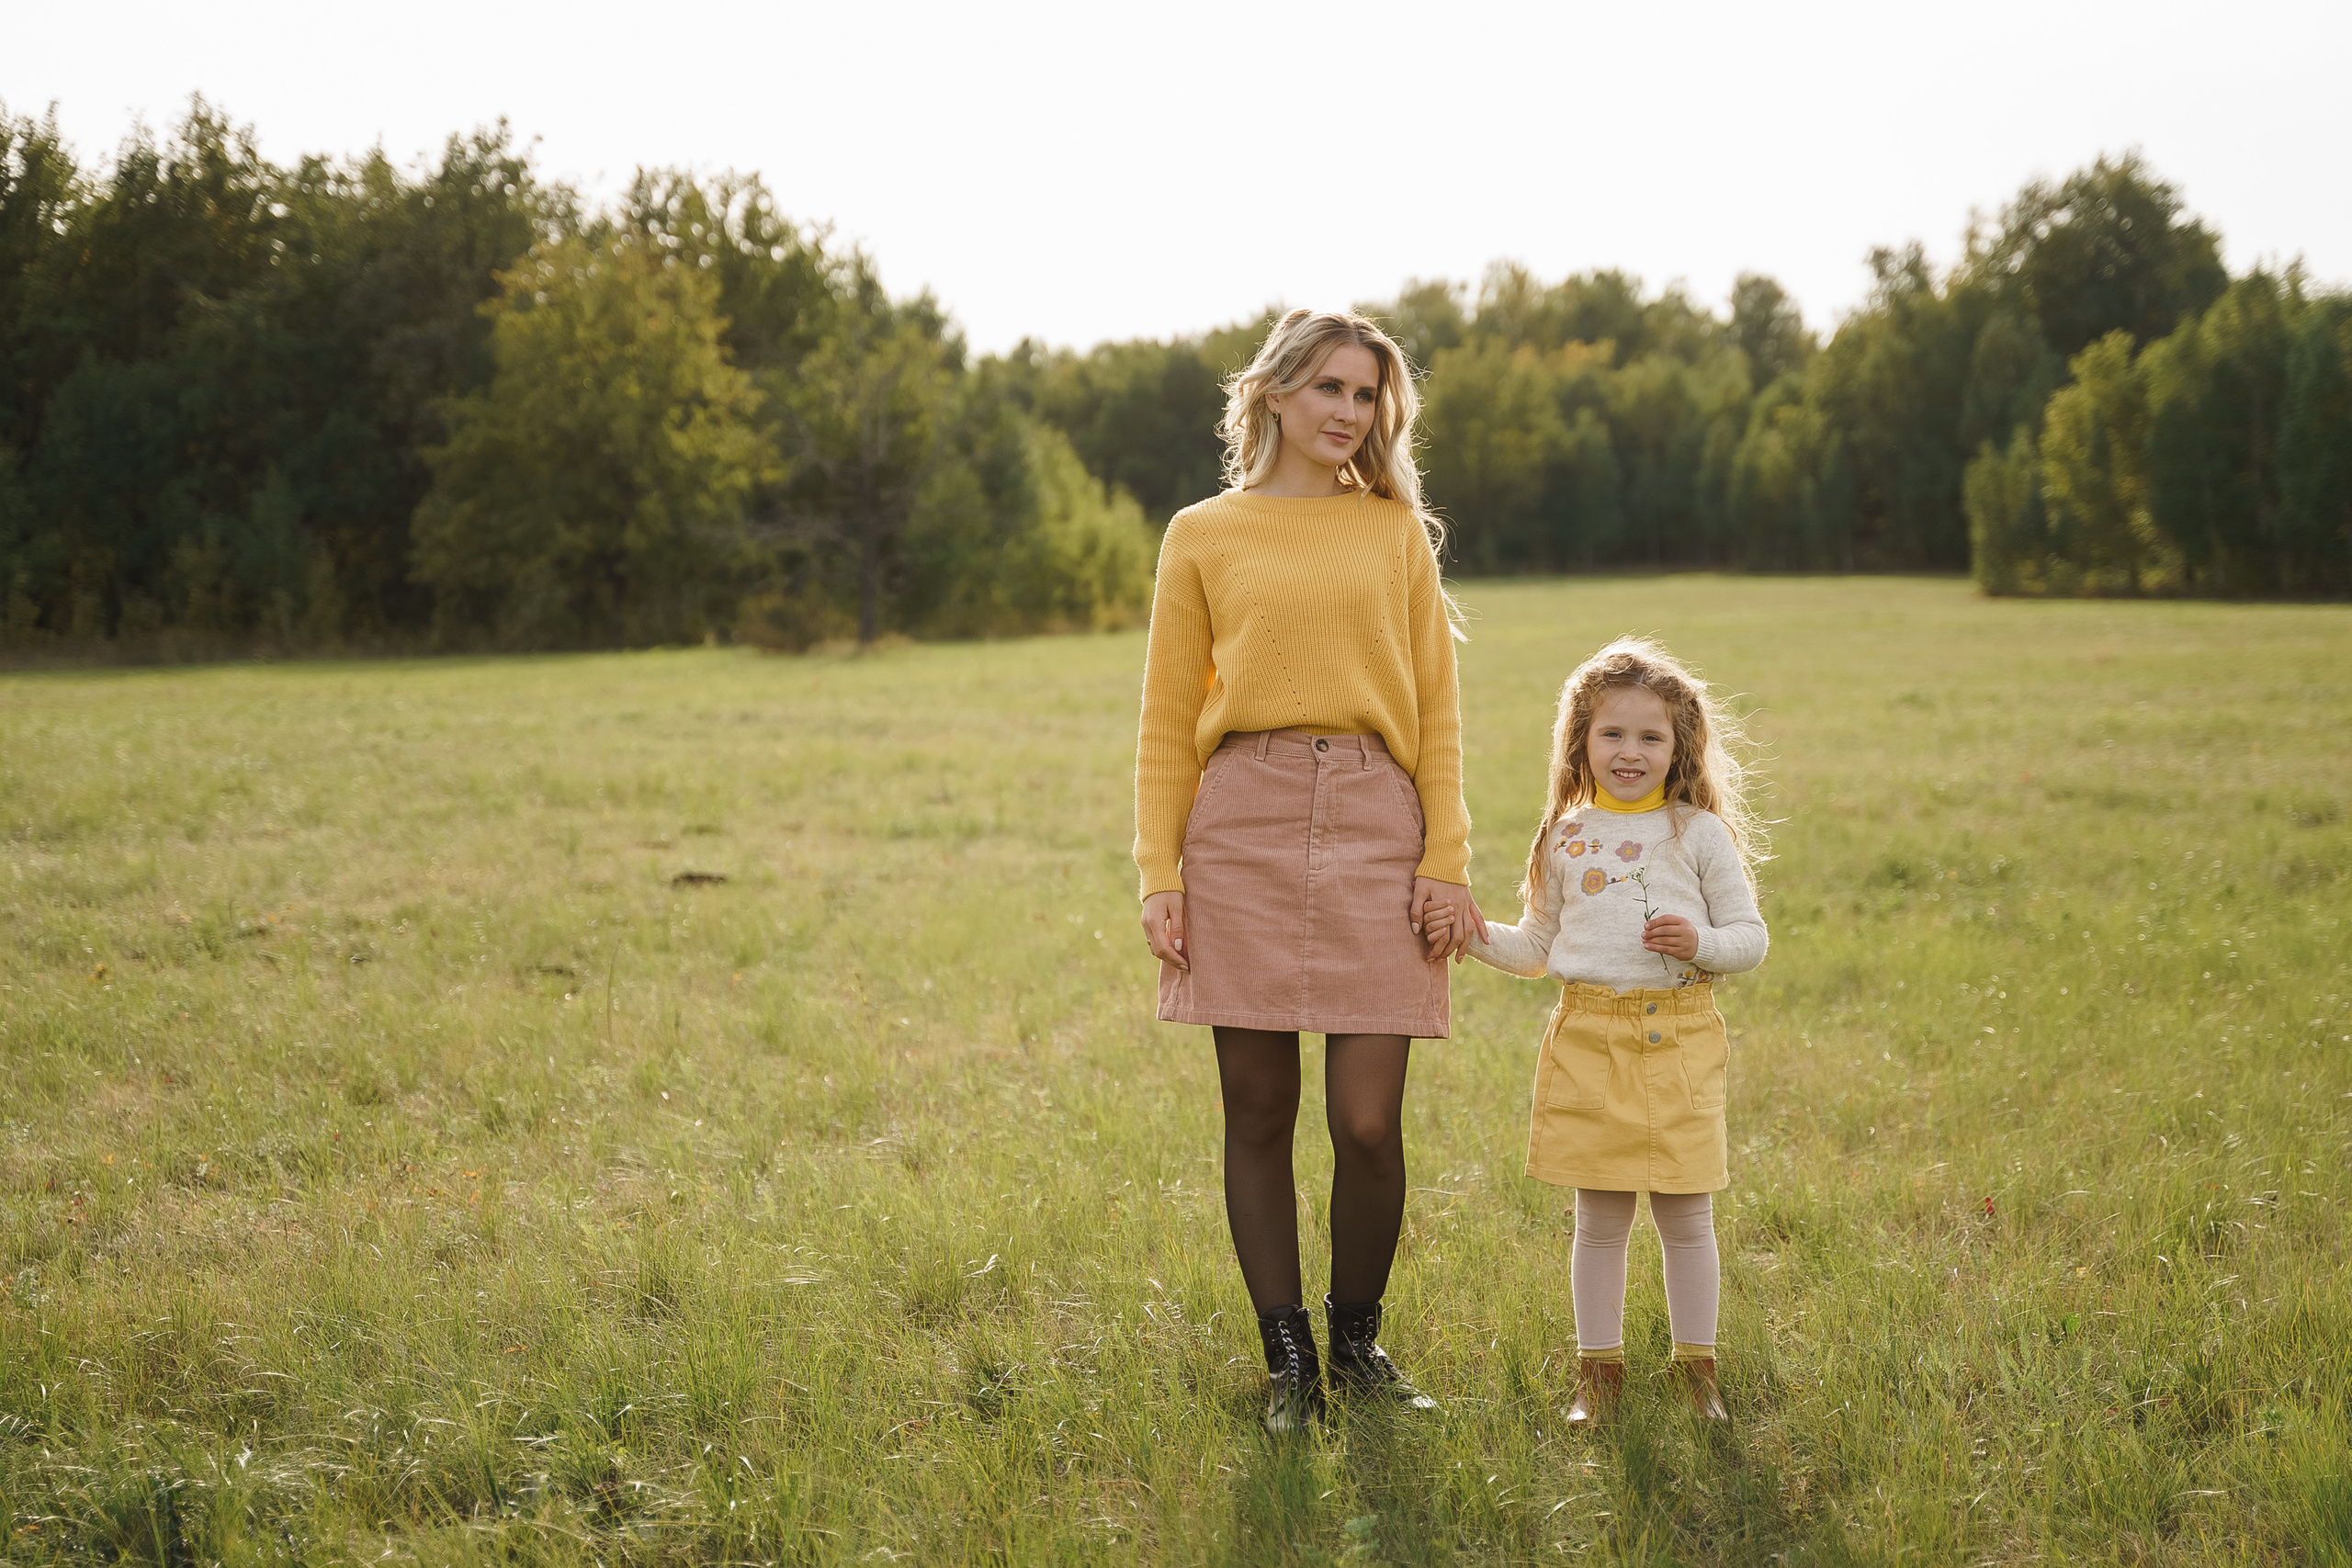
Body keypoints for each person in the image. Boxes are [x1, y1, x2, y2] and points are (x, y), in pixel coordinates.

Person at [1133, 308, 1484, 1432]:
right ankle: (1289, 1365)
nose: (1349, 413)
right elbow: (1162, 718)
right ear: (1275, 394)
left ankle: (1357, 1341)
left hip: (1379, 817)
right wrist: (1160, 871)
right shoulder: (1202, 534)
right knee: (1256, 1105)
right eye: (1329, 389)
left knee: (1369, 1120)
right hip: (1239, 819)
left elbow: (1437, 708)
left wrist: (1445, 856)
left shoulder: (1392, 534)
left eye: (1368, 395)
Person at [1433, 636, 1768, 1424]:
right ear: (1581, 739)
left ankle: (1699, 1376)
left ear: (1679, 746)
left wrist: (1701, 943)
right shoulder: (1565, 834)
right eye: (1612, 734)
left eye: (1651, 736)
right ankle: (1599, 1376)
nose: (1630, 751)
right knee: (1600, 1220)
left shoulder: (1699, 833)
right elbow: (1538, 947)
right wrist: (1473, 932)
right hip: (1588, 1038)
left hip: (1680, 1038)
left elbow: (1750, 937)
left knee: (1687, 1216)